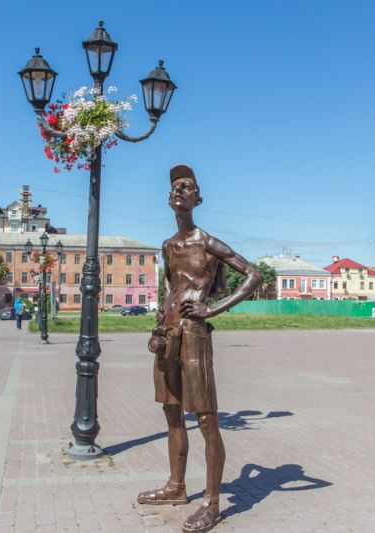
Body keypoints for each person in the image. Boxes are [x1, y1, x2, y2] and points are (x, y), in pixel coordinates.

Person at [137, 164, 259, 533]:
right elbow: (170, 286)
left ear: (197, 198)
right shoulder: (168, 246)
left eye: (186, 186)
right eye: (174, 186)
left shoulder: (207, 242)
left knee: (206, 419)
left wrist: (213, 308)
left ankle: (212, 502)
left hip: (194, 335)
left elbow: (253, 274)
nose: (179, 190)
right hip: (167, 334)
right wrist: (162, 308)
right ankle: (176, 487)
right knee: (172, 413)